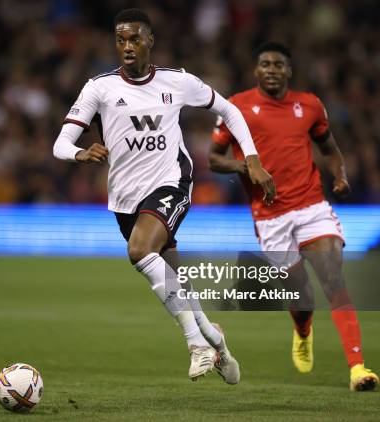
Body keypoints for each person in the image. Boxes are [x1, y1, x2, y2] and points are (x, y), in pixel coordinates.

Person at [53, 8, 275, 382]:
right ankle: (216, 341)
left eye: (135, 39)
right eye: (120, 39)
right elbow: (60, 143)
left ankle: (197, 345)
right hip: (125, 198)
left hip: (172, 182)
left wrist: (251, 158)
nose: (127, 46)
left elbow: (230, 111)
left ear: (150, 42)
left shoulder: (178, 82)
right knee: (176, 282)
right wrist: (81, 152)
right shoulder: (99, 88)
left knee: (140, 251)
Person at [209, 41, 379, 391]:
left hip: (312, 206)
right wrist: (246, 166)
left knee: (333, 281)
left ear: (289, 71)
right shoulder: (236, 107)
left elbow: (329, 148)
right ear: (256, 71)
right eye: (265, 64)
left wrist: (340, 174)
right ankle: (303, 329)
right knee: (300, 296)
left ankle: (358, 368)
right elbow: (214, 158)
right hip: (270, 217)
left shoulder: (310, 105)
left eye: (278, 64)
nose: (271, 69)